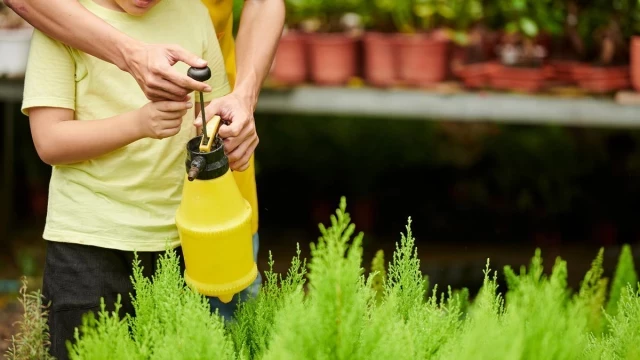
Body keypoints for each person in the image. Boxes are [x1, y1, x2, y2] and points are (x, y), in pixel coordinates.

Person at [5, 0, 284, 318]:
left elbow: (211, 117)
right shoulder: (59, 22)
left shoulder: (193, 15)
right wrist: (138, 124)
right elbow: (50, 142)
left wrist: (233, 127)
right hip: (88, 241)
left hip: (181, 243)